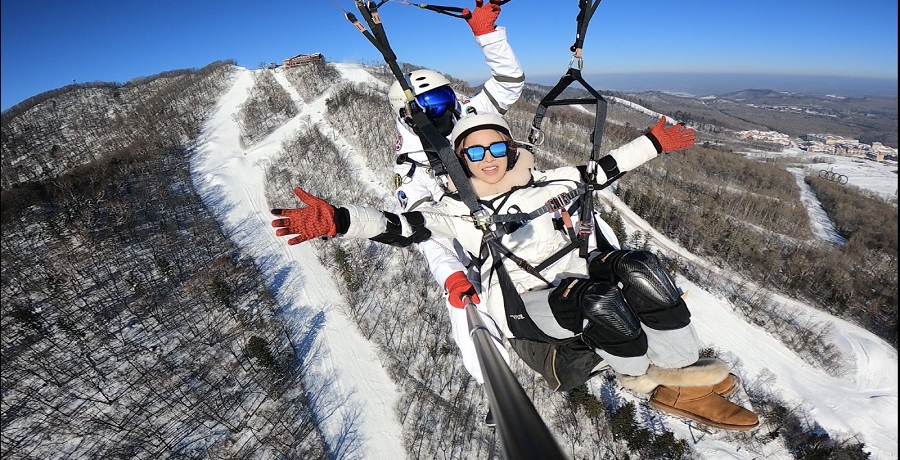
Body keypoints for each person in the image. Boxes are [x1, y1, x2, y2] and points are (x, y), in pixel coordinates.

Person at [270, 113, 760, 432]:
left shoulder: (548, 185)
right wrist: (342, 221)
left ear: (510, 150)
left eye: (495, 149)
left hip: (577, 271)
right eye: (475, 153)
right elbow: (405, 227)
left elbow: (602, 169)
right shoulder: (456, 212)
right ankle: (652, 382)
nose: (488, 160)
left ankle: (686, 368)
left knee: (640, 266)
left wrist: (652, 142)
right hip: (526, 304)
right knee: (599, 302)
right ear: (460, 161)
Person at [386, 0, 525, 403]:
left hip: (511, 203)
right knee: (468, 300)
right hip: (467, 230)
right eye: (428, 111)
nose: (443, 117)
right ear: (408, 117)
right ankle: (492, 384)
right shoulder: (413, 165)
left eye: (444, 103)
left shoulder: (466, 114)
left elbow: (509, 84)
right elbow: (424, 227)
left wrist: (488, 37)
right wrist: (450, 274)